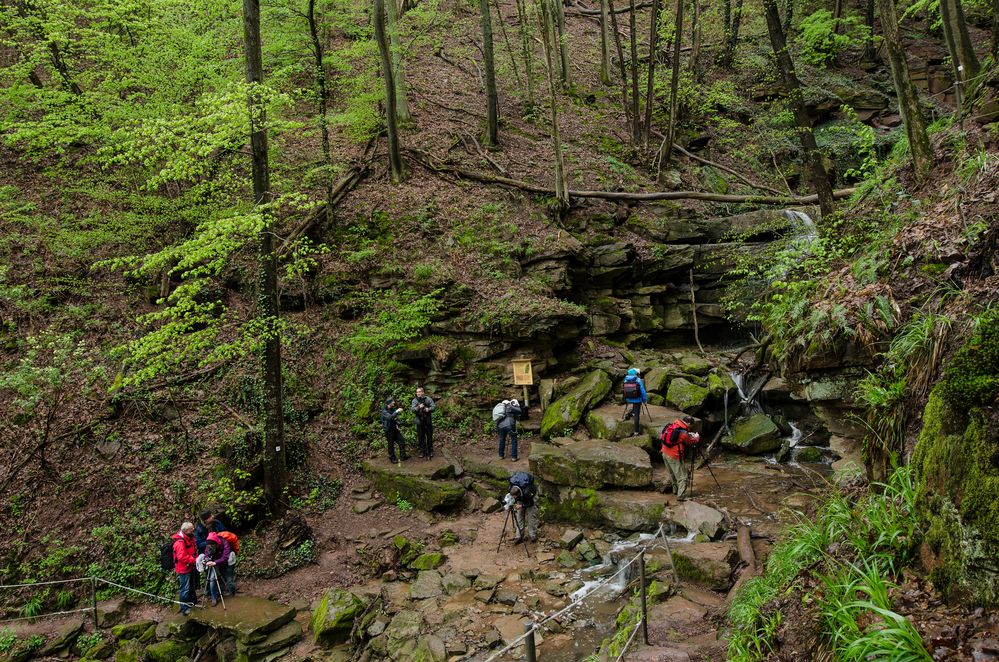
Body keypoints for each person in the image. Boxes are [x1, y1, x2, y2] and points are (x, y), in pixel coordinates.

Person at [660, 416, 701, 501]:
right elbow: (690, 442)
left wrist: (689, 434)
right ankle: (680, 495)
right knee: (683, 477)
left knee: (673, 474)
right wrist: (696, 438)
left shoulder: (674, 425)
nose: (690, 427)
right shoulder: (684, 433)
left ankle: (675, 490)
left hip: (664, 452)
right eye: (691, 425)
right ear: (689, 423)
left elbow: (680, 437)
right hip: (674, 456)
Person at [197, 532, 231, 607]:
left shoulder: (225, 543)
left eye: (212, 545)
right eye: (208, 545)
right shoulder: (209, 544)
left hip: (219, 561)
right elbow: (206, 553)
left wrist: (215, 562)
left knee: (215, 578)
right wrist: (205, 560)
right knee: (210, 578)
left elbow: (225, 557)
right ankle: (212, 595)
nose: (209, 546)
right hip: (212, 561)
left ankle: (216, 595)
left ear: (216, 543)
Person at [172, 522, 198, 615]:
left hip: (190, 566)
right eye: (191, 529)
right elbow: (182, 557)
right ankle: (184, 608)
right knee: (185, 589)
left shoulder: (189, 537)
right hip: (183, 569)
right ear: (186, 531)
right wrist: (195, 560)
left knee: (191, 586)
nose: (193, 529)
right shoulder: (180, 542)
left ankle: (193, 602)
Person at [506, 472, 538, 543]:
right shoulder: (510, 489)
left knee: (531, 516)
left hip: (531, 498)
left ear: (518, 494)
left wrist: (521, 505)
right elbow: (509, 499)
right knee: (519, 516)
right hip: (521, 499)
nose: (513, 498)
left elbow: (531, 503)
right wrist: (509, 505)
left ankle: (532, 535)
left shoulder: (527, 492)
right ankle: (519, 536)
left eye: (515, 497)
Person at [410, 387, 436, 459]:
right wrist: (418, 407)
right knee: (421, 437)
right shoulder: (414, 401)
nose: (418, 393)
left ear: (423, 392)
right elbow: (412, 409)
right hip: (419, 421)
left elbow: (433, 406)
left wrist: (428, 409)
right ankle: (422, 451)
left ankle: (430, 451)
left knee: (429, 437)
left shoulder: (428, 399)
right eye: (417, 392)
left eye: (419, 392)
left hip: (428, 420)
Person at [380, 397, 408, 463]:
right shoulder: (384, 411)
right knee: (391, 444)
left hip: (395, 429)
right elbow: (390, 418)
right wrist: (397, 411)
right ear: (389, 403)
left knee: (402, 441)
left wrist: (397, 423)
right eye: (392, 401)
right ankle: (392, 458)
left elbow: (395, 418)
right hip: (389, 430)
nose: (394, 402)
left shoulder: (392, 409)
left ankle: (403, 456)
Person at [622, 368, 648, 436]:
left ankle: (628, 415)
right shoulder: (638, 380)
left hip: (629, 398)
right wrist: (644, 400)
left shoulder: (625, 380)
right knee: (637, 415)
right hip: (637, 399)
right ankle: (636, 432)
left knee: (634, 410)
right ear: (635, 374)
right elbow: (642, 391)